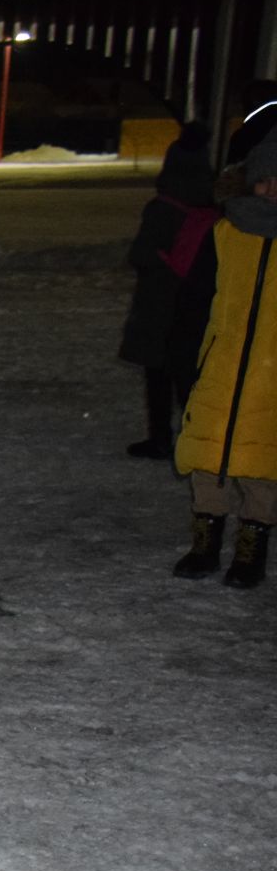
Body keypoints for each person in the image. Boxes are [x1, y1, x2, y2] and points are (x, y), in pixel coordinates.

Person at [164, 128, 277, 589]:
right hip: (220, 366)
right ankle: (204, 543)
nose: (272, 190)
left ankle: (251, 548)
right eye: (265, 180)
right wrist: (185, 361)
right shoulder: (226, 234)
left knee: (263, 464)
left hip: (270, 377)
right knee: (207, 460)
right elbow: (193, 303)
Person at [116, 126, 217, 459]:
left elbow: (141, 255)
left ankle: (160, 437)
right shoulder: (211, 207)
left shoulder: (163, 206)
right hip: (197, 303)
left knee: (158, 375)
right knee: (189, 376)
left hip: (160, 303)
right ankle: (197, 437)